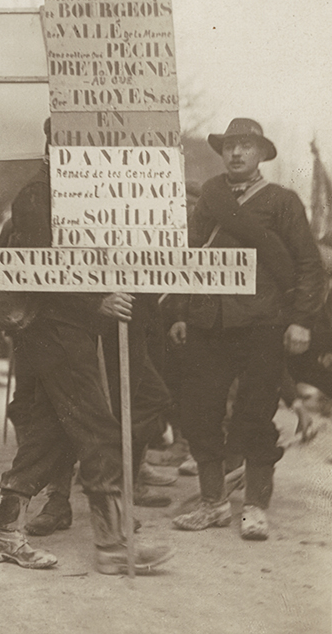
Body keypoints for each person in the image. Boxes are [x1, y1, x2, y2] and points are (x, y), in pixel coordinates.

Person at [0, 139, 174, 574]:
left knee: (54, 432)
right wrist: (96, 303)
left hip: (72, 331)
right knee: (97, 427)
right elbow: (37, 273)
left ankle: (5, 530)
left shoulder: (83, 191)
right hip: (54, 331)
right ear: (53, 146)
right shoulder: (39, 194)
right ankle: (113, 545)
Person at [170, 118, 325, 540]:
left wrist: (300, 320)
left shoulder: (282, 201)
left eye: (246, 146)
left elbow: (309, 266)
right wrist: (182, 311)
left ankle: (255, 506)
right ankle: (213, 502)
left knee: (256, 415)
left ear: (260, 153)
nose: (236, 153)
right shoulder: (210, 199)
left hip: (263, 323)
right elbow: (190, 257)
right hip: (209, 322)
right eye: (230, 147)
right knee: (199, 412)